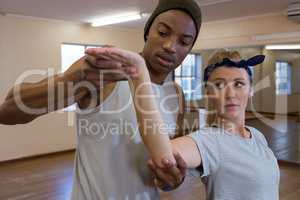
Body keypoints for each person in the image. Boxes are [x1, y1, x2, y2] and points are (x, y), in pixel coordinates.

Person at [0, 0, 202, 199]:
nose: (170, 46)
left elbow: (163, 166)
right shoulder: (107, 73)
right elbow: (8, 111)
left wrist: (170, 180)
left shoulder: (175, 94)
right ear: (148, 31)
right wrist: (72, 78)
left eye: (183, 42)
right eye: (163, 32)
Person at [88, 47, 280, 200]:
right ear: (208, 93)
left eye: (238, 84)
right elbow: (163, 154)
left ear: (251, 90)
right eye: (219, 85)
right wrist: (140, 75)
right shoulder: (210, 141)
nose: (230, 94)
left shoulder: (257, 136)